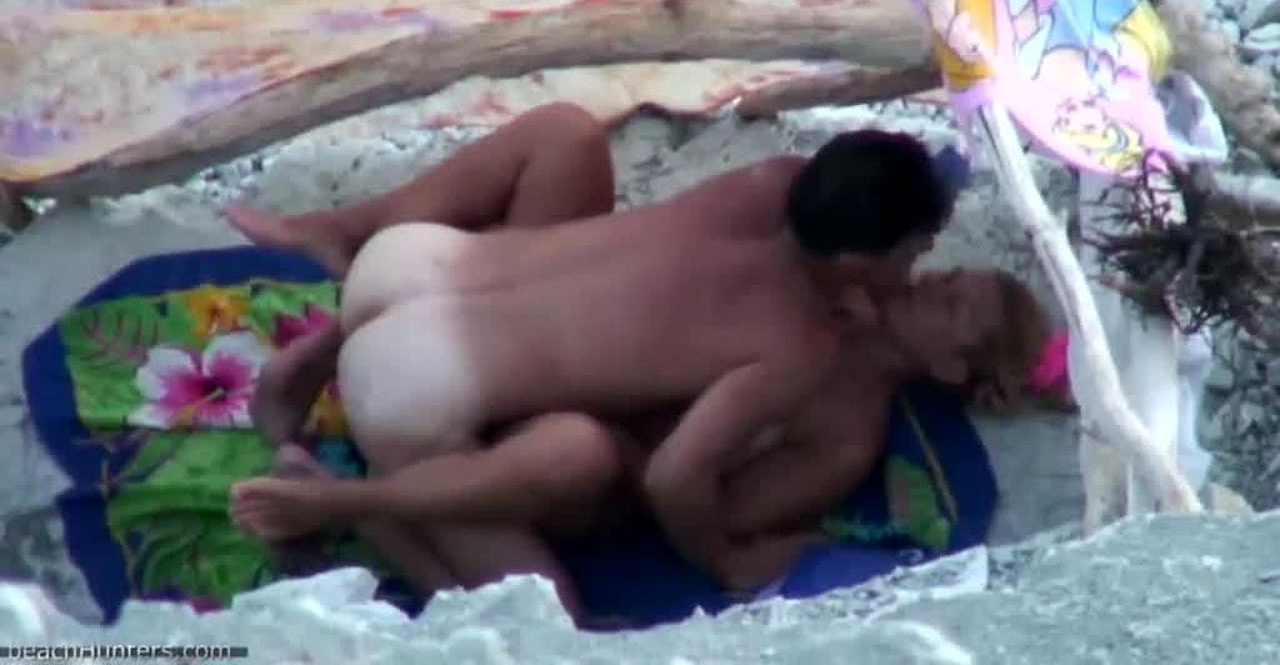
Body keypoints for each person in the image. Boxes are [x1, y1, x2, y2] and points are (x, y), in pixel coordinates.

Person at [223, 103, 963, 616]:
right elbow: (675, 478)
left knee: (566, 132)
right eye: (916, 253)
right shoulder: (798, 346)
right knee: (555, 623)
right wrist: (724, 559)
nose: (919, 272)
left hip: (407, 261)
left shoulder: (773, 181)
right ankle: (357, 508)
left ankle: (326, 327)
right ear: (858, 261)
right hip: (407, 386)